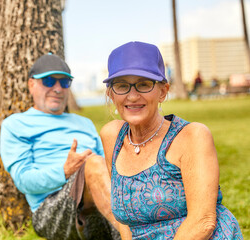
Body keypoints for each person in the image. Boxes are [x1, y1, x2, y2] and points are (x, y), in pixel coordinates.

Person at [100, 41, 243, 239]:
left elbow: (203, 222)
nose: (132, 96)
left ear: (163, 91)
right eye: (122, 86)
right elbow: (125, 225)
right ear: (110, 93)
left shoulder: (191, 136)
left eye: (143, 84)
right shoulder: (112, 136)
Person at [0, 53, 121, 240]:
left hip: (98, 202)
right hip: (51, 210)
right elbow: (23, 180)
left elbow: (109, 170)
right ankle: (134, 234)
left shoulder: (85, 123)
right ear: (31, 84)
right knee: (94, 164)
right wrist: (64, 171)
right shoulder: (16, 124)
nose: (57, 88)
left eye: (64, 82)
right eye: (49, 81)